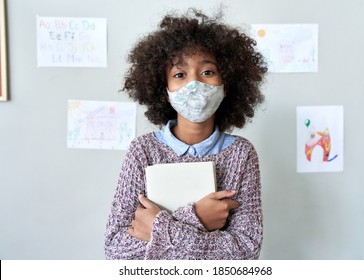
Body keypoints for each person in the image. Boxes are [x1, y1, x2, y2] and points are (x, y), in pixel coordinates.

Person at [104, 8, 268, 260]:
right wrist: (198, 218)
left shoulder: (241, 153)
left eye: (207, 72)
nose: (194, 84)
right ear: (165, 90)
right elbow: (116, 249)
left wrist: (156, 227)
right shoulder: (143, 150)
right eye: (179, 75)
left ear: (226, 86)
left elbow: (245, 252)